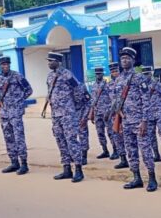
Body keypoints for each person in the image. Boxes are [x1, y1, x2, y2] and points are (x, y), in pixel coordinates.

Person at [113, 47, 157, 192]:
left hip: (139, 121)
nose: (124, 61)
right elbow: (117, 100)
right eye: (122, 58)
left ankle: (152, 178)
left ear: (133, 60)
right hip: (126, 121)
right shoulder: (118, 79)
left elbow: (146, 100)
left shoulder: (139, 78)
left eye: (127, 58)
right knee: (131, 150)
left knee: (145, 150)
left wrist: (145, 120)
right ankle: (136, 177)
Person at [45, 52, 83, 182]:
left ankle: (78, 169)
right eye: (48, 61)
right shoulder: (50, 76)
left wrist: (74, 107)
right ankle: (67, 168)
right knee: (60, 141)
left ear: (58, 62)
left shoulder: (67, 74)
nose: (49, 63)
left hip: (67, 114)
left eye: (51, 61)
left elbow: (78, 90)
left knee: (71, 140)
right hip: (56, 115)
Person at [0, 55, 32, 175]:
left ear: (9, 65)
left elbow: (29, 90)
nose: (5, 66)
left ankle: (24, 164)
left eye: (7, 64)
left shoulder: (17, 76)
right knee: (8, 138)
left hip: (16, 112)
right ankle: (14, 162)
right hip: (4, 113)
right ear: (0, 66)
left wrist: (19, 101)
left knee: (19, 137)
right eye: (3, 65)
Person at [141, 66, 161, 163]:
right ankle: (156, 154)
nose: (146, 76)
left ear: (151, 74)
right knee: (151, 136)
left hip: (159, 114)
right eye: (144, 74)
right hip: (148, 116)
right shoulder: (141, 87)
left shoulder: (158, 85)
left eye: (147, 74)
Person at [91, 67, 117, 159]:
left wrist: (110, 111)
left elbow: (112, 99)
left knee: (111, 132)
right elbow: (93, 100)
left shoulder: (107, 85)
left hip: (106, 112)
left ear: (103, 74)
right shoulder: (93, 86)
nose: (98, 75)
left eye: (100, 73)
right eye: (97, 74)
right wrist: (92, 113)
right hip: (97, 112)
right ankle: (105, 150)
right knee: (100, 132)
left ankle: (115, 150)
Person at [108, 62, 129, 169]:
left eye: (115, 71)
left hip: (125, 114)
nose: (114, 73)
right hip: (114, 115)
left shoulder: (124, 81)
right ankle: (123, 159)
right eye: (112, 71)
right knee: (116, 136)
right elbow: (110, 100)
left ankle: (132, 159)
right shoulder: (109, 84)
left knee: (128, 137)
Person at [75, 83, 91, 165]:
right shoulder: (61, 86)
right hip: (68, 117)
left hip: (81, 116)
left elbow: (88, 102)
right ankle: (73, 156)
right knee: (70, 137)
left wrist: (85, 117)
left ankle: (84, 156)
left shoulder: (81, 86)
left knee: (83, 136)